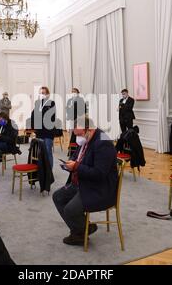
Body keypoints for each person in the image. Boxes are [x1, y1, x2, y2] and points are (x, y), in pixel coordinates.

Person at [53, 117, 118, 246]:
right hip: (83, 182)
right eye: (76, 135)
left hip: (99, 188)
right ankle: (82, 230)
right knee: (58, 197)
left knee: (70, 210)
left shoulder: (103, 142)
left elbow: (99, 174)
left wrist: (76, 166)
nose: (78, 138)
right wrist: (69, 163)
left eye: (79, 134)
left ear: (89, 129)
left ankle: (79, 232)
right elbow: (76, 156)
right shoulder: (87, 138)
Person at [31, 86, 56, 168]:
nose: (42, 95)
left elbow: (50, 117)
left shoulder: (51, 103)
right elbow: (33, 115)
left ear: (47, 94)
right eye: (40, 93)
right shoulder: (38, 103)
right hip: (40, 132)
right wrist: (34, 127)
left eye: (43, 93)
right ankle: (42, 170)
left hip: (48, 131)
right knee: (40, 152)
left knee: (48, 151)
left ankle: (49, 172)